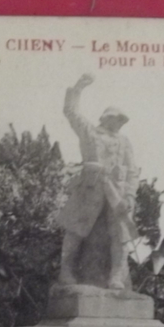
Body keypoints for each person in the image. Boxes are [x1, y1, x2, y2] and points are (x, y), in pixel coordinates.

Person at [57, 73, 139, 289]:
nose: (119, 122)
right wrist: (78, 88)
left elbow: (132, 171)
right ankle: (66, 271)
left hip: (118, 194)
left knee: (120, 236)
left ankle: (116, 276)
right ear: (105, 117)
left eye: (122, 120)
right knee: (76, 230)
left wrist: (130, 195)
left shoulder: (124, 142)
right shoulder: (90, 133)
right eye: (116, 118)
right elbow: (71, 112)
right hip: (90, 188)